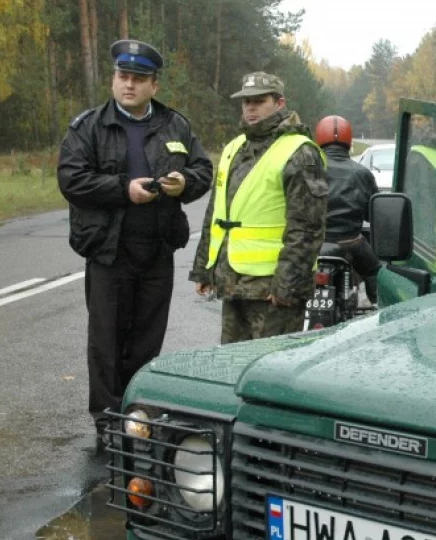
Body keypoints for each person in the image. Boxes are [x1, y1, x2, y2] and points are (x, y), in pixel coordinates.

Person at [57, 39, 213, 446]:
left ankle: (139, 416)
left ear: (153, 86)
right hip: (109, 251)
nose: (129, 85)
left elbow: (202, 171)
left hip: (157, 250)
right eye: (123, 77)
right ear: (114, 79)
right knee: (106, 340)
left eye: (138, 79)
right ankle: (109, 424)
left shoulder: (175, 126)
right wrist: (123, 189)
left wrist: (184, 185)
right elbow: (71, 180)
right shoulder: (88, 127)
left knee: (147, 338)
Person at [190, 72, 328, 343]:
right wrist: (204, 269)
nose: (250, 108)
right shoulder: (234, 148)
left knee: (270, 373)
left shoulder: (299, 152)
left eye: (259, 100)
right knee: (232, 368)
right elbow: (216, 213)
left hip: (272, 290)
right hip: (234, 281)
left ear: (279, 103)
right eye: (245, 102)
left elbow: (307, 227)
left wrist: (287, 285)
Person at [314, 115, 381, 304]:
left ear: (319, 139)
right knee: (376, 272)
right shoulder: (362, 173)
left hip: (314, 243)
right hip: (351, 242)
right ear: (349, 141)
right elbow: (372, 214)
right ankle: (380, 310)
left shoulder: (309, 168)